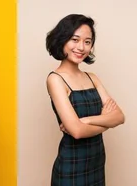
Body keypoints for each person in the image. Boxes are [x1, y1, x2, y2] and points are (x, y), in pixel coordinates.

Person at [45, 14, 125, 186]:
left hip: (96, 163)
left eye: (87, 42)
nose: (81, 47)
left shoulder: (92, 78)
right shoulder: (56, 79)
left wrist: (86, 120)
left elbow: (119, 117)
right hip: (71, 166)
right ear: (62, 40)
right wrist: (106, 121)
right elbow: (77, 132)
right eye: (75, 39)